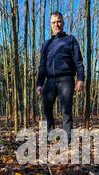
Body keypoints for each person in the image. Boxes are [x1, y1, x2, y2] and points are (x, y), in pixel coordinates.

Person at [36, 11, 85, 143]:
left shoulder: (71, 40)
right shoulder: (46, 44)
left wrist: (80, 79)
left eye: (59, 21)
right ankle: (50, 136)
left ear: (63, 23)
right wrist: (39, 84)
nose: (56, 24)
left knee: (66, 111)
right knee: (46, 108)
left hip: (66, 80)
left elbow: (78, 61)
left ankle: (67, 140)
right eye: (53, 22)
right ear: (50, 25)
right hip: (49, 81)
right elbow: (42, 66)